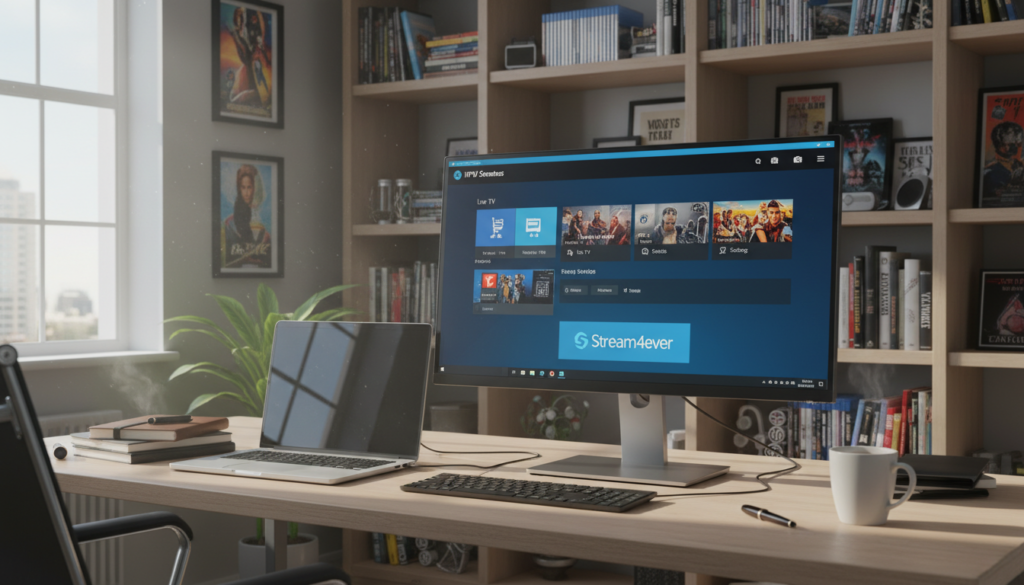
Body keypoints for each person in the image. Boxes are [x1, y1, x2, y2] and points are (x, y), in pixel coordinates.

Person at [223, 164, 272, 268]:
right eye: (243, 187)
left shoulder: (251, 213)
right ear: (239, 189)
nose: (246, 193)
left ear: (255, 188)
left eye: (249, 187)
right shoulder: (236, 217)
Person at [983, 121, 1024, 200]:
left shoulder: (1019, 164)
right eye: (1005, 144)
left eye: (1017, 143)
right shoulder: (990, 172)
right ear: (999, 145)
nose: (1007, 148)